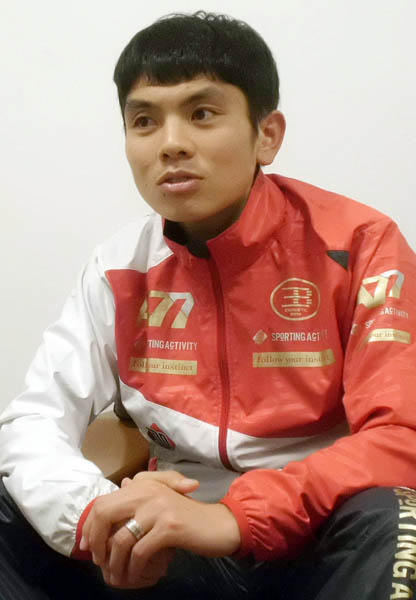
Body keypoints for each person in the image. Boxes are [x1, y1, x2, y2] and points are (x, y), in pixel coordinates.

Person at [1, 10, 416, 600]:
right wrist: (97, 518)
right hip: (178, 551)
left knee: (397, 517)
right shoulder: (119, 266)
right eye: (144, 121)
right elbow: (34, 420)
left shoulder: (361, 244)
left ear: (267, 135)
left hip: (317, 541)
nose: (171, 144)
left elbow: (401, 435)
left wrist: (235, 517)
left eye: (201, 113)